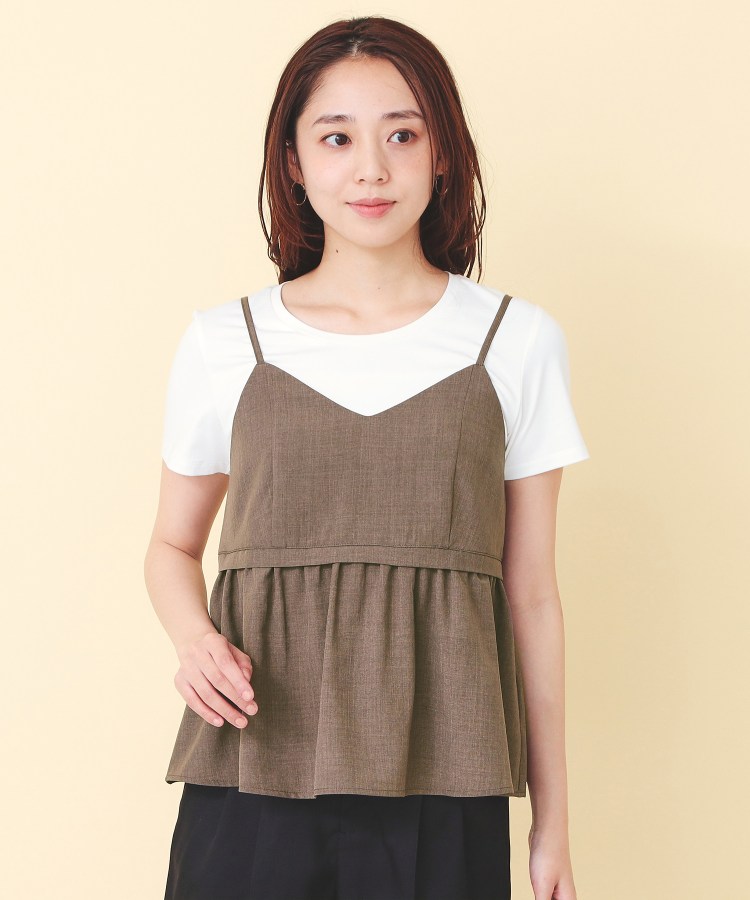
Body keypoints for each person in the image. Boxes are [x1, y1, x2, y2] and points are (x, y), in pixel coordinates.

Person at [144, 15, 589, 900]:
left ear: (443, 153)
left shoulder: (516, 340)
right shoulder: (224, 340)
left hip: (447, 779)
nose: (372, 169)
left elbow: (533, 594)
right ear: (294, 161)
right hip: (253, 765)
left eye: (403, 134)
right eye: (337, 137)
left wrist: (553, 829)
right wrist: (195, 640)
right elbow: (170, 547)